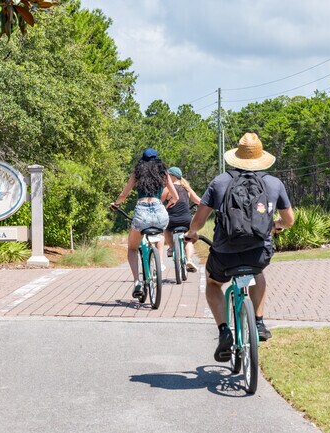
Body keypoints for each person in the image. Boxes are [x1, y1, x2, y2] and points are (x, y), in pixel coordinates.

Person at [185, 132, 294, 362]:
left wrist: (193, 233)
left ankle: (224, 331)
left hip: (225, 255)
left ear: (236, 157)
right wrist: (275, 225)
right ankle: (259, 322)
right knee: (258, 273)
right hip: (258, 253)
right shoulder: (274, 183)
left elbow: (199, 220)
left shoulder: (220, 182)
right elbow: (289, 220)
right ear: (261, 158)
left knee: (213, 283)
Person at [111, 148, 179, 298]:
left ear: (142, 160)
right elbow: (175, 196)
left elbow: (124, 194)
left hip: (142, 212)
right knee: (159, 234)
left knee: (132, 248)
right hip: (160, 213)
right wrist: (171, 203)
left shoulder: (137, 173)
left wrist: (116, 204)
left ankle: (137, 282)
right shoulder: (163, 173)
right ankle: (158, 263)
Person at [161, 167, 202, 272]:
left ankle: (171, 248)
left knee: (165, 229)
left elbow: (159, 201)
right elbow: (199, 201)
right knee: (189, 239)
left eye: (168, 176)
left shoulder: (167, 189)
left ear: (173, 176)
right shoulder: (187, 188)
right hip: (186, 219)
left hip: (171, 220)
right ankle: (189, 259)